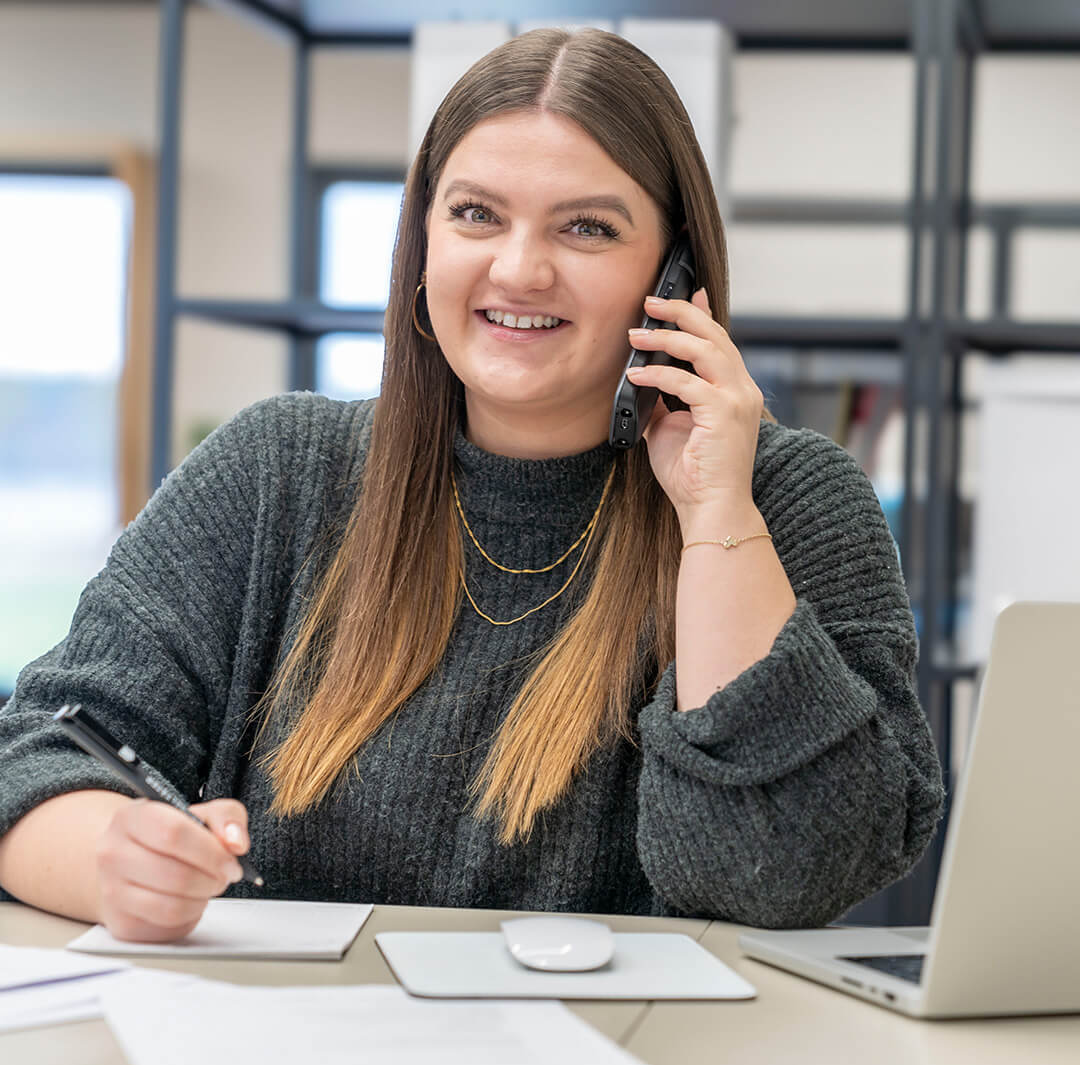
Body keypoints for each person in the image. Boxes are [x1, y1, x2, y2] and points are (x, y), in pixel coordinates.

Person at [0, 28, 943, 943]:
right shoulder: (275, 472)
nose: (519, 269)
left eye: (587, 227)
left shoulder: (785, 498)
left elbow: (789, 874)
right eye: (476, 214)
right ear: (422, 244)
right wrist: (115, 860)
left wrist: (715, 512)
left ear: (675, 272)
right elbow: (36, 756)